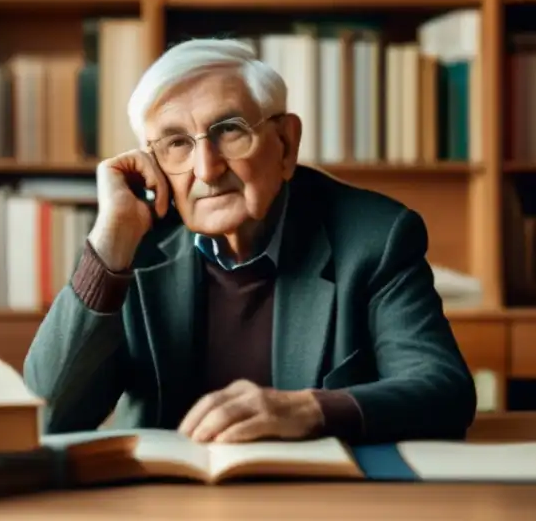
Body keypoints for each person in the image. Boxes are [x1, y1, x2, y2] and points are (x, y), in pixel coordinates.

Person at [24, 38, 476, 445]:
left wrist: (307, 409)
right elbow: (47, 418)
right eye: (176, 143)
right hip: (161, 508)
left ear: (285, 144)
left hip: (317, 505)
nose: (206, 168)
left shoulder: (374, 236)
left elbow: (443, 389)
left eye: (229, 131)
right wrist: (108, 248)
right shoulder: (134, 243)